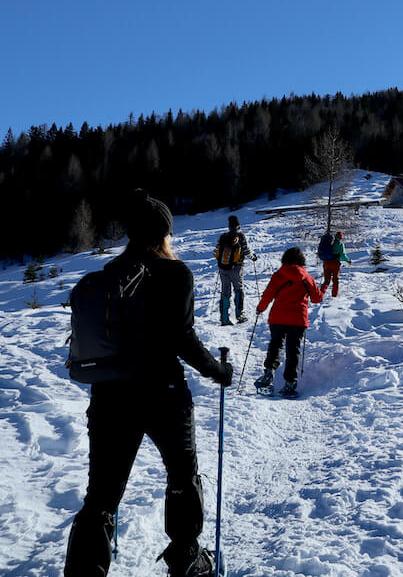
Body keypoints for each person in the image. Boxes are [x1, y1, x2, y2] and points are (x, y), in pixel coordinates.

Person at [65, 190, 233, 577]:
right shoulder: (175, 273)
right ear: (163, 234)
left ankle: (84, 570)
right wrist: (217, 371)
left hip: (109, 396)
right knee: (181, 474)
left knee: (102, 495)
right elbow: (183, 340)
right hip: (163, 394)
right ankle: (187, 557)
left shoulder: (108, 276)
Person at [254, 247, 323, 398]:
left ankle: (268, 373)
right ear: (301, 260)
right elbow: (317, 299)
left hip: (278, 317)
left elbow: (268, 294)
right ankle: (290, 383)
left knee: (275, 344)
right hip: (298, 319)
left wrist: (260, 308)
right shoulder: (307, 277)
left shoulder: (279, 275)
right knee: (293, 350)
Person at [213, 215, 257, 325]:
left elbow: (215, 252)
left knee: (225, 292)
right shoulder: (240, 236)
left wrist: (223, 262)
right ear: (238, 226)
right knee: (238, 289)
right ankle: (239, 315)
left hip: (223, 268)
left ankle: (224, 318)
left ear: (229, 227)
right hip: (237, 268)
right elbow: (246, 251)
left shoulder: (223, 237)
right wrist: (253, 257)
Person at [318, 230, 352, 297]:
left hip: (326, 263)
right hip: (335, 263)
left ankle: (320, 294)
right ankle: (334, 295)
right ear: (341, 238)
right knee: (335, 280)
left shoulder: (330, 243)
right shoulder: (340, 244)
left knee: (326, 280)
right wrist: (348, 260)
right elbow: (343, 255)